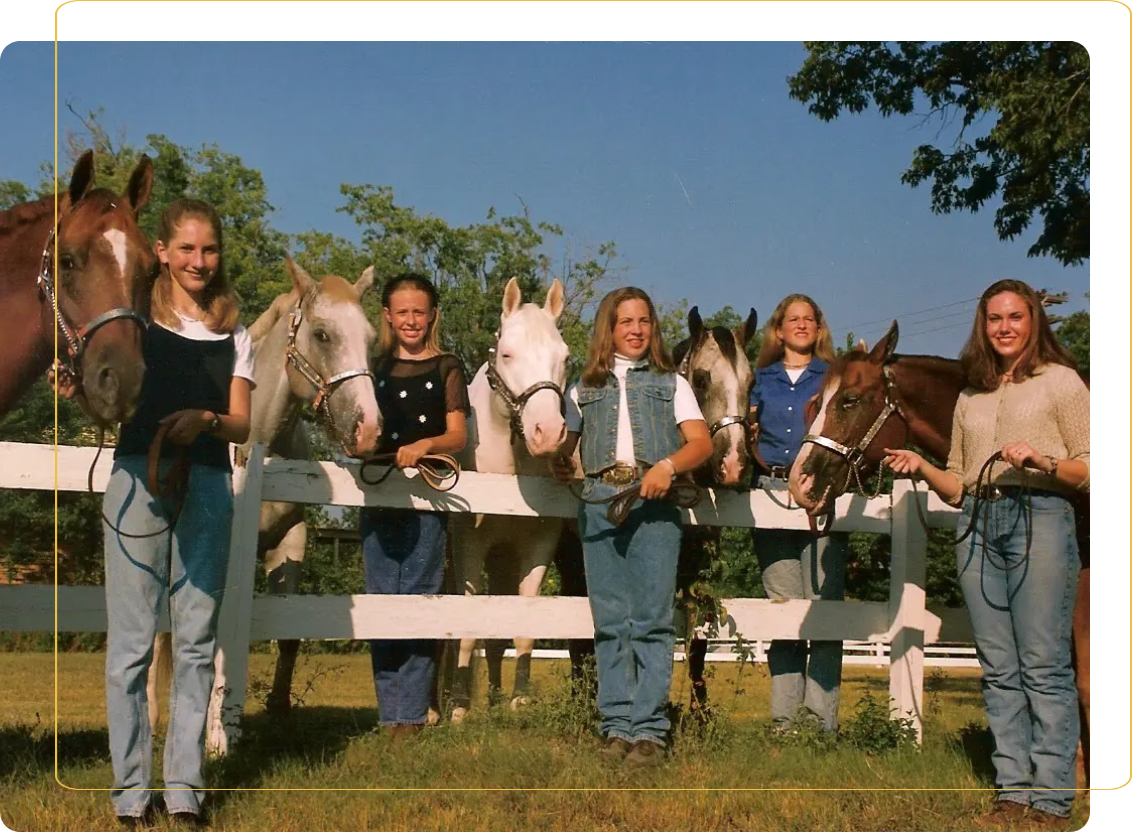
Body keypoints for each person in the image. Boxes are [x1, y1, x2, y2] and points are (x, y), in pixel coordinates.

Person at [52, 199, 255, 826]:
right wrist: (77, 388)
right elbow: (107, 399)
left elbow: (242, 422)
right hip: (139, 479)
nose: (199, 261)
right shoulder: (133, 319)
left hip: (208, 485)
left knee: (195, 643)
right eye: (186, 249)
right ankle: (132, 795)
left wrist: (208, 421)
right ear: (161, 252)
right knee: (133, 644)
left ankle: (184, 792)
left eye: (209, 248)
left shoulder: (233, 334)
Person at [883, 279, 1088, 829]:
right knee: (998, 668)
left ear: (1034, 321)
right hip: (975, 520)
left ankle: (1050, 799)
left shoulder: (1062, 384)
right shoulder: (971, 395)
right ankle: (1012, 792)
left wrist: (1043, 460)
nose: (1004, 327)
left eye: (1015, 317)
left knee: (1043, 664)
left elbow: (1087, 470)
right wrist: (921, 466)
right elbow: (957, 482)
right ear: (982, 325)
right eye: (994, 318)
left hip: (1040, 517)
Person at [549, 286, 712, 768]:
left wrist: (665, 466)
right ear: (609, 329)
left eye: (644, 321)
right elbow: (566, 446)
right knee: (611, 620)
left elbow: (700, 444)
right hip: (599, 504)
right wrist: (560, 463)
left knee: (653, 620)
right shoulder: (581, 389)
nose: (636, 330)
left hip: (654, 505)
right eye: (626, 322)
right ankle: (615, 727)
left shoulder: (671, 383)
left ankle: (650, 732)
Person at [358, 272, 468, 738]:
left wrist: (424, 444)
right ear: (387, 315)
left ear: (433, 315)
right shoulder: (372, 367)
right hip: (379, 492)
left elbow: (458, 435)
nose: (410, 320)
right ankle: (390, 714)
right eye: (401, 311)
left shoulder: (447, 366)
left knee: (420, 600)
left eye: (419, 311)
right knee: (382, 601)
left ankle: (414, 715)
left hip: (427, 494)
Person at [747, 293, 848, 735]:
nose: (802, 325)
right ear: (779, 329)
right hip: (770, 490)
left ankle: (819, 721)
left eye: (810, 319)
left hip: (821, 489)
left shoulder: (834, 377)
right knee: (783, 610)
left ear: (819, 328)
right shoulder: (758, 379)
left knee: (824, 607)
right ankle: (784, 720)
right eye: (794, 319)